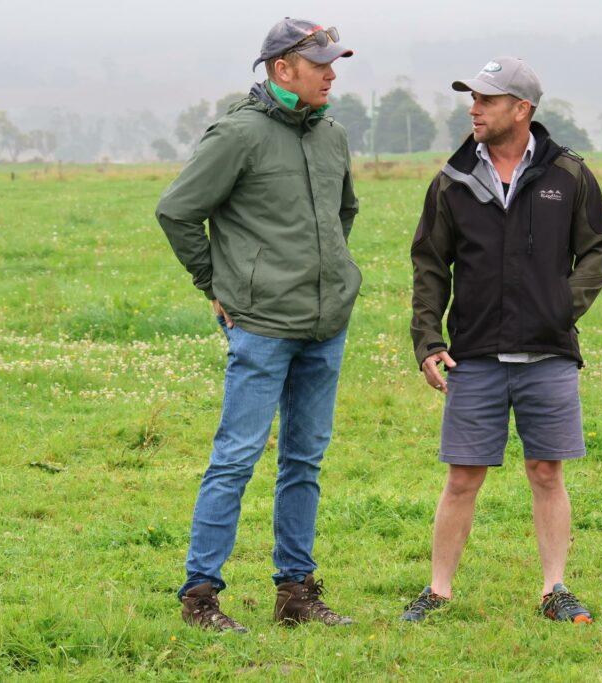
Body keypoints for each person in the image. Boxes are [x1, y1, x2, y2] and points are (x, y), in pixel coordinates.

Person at [155, 18, 360, 632]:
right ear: (281, 69)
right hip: (262, 326)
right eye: (319, 63)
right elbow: (177, 211)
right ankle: (200, 597)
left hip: (326, 325)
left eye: (333, 62)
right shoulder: (237, 135)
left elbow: (342, 213)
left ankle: (295, 592)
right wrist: (214, 285)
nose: (331, 73)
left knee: (305, 460)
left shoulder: (332, 136)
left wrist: (328, 277)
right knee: (237, 458)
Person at [401, 57, 602, 624]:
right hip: (473, 354)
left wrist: (560, 309)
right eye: (471, 98)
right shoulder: (451, 181)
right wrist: (427, 339)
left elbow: (598, 249)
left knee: (547, 472)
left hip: (548, 356)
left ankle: (555, 588)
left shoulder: (568, 175)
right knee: (462, 477)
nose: (474, 108)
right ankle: (438, 591)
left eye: (487, 100)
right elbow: (429, 263)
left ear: (522, 109)